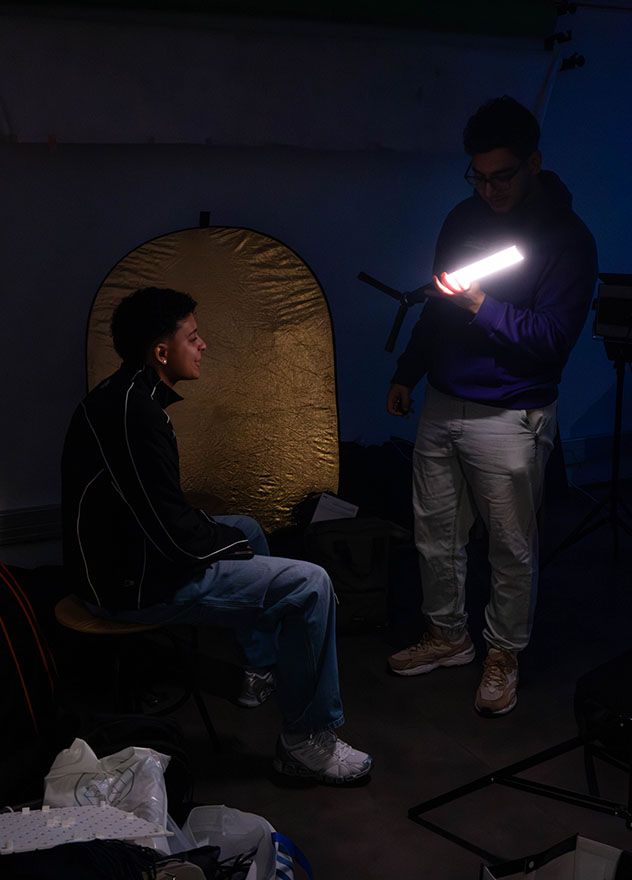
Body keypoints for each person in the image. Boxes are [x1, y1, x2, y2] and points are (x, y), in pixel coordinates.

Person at [61, 286, 372, 784]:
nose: (202, 345)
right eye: (192, 337)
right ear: (161, 352)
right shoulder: (134, 414)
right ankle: (305, 741)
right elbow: (172, 536)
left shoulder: (126, 395)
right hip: (127, 588)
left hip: (122, 564)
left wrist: (231, 538)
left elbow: (157, 512)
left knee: (246, 525)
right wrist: (230, 547)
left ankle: (258, 671)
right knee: (310, 584)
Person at [386, 96, 597, 716]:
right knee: (434, 533)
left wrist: (481, 305)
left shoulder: (567, 238)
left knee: (510, 546)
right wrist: (408, 371)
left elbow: (553, 339)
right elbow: (437, 303)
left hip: (510, 413)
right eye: (477, 176)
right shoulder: (463, 218)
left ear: (533, 162)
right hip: (442, 399)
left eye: (501, 175)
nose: (489, 189)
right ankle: (448, 636)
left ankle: (503, 653)